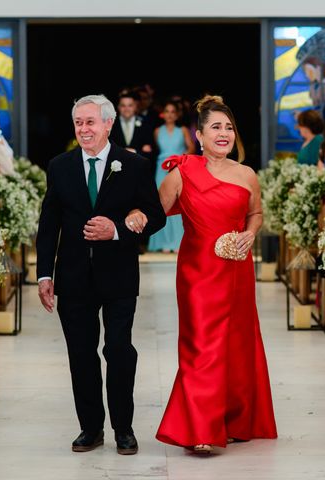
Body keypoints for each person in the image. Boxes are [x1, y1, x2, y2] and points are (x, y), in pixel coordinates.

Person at [136, 94, 277, 453]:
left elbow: (255, 214)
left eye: (229, 127)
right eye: (216, 127)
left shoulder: (247, 174)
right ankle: (200, 427)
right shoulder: (183, 172)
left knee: (237, 345)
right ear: (198, 135)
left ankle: (234, 419)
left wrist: (249, 234)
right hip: (198, 274)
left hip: (238, 272)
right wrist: (128, 221)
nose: (224, 133)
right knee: (202, 347)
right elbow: (155, 213)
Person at [36, 94, 165, 456]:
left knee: (119, 350)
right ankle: (90, 428)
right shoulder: (59, 166)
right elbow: (49, 225)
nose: (83, 129)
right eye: (78, 122)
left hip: (119, 274)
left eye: (90, 122)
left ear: (108, 124)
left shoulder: (134, 165)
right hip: (74, 276)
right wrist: (45, 273)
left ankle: (123, 428)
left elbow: (155, 216)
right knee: (81, 353)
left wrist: (120, 229)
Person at [147, 100, 194, 252]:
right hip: (161, 170)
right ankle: (162, 242)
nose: (169, 114)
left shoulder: (184, 130)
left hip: (178, 169)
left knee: (178, 204)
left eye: (172, 112)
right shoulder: (157, 131)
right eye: (167, 111)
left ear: (177, 115)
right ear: (163, 114)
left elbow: (192, 147)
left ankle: (177, 241)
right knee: (161, 203)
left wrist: (182, 161)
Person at [109, 90, 155, 158]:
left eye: (130, 105)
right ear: (118, 107)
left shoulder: (145, 123)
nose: (126, 109)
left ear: (135, 107)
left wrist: (136, 151)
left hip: (138, 165)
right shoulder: (111, 124)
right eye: (123, 105)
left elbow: (150, 152)